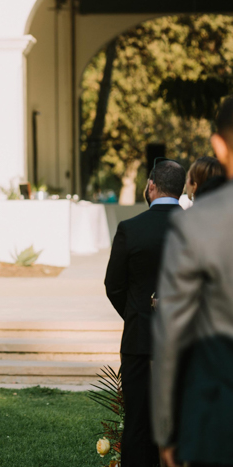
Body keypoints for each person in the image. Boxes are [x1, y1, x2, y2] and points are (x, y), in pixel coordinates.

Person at [152, 96, 233, 467]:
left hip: (219, 416)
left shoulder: (196, 223)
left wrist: (167, 430)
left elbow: (172, 332)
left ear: (219, 145)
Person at [104, 159, 186, 467]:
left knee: (138, 422)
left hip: (141, 339)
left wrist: (137, 315)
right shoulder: (199, 227)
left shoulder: (131, 228)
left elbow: (113, 285)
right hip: (185, 339)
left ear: (151, 185)